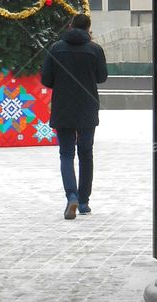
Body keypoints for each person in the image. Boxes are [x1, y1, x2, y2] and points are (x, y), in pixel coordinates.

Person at [41, 13, 108, 219]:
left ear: (70, 26)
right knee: (86, 154)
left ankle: (71, 196)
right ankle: (84, 201)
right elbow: (102, 77)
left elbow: (46, 79)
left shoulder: (56, 48)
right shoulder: (95, 50)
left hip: (63, 107)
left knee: (66, 154)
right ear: (88, 28)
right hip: (87, 107)